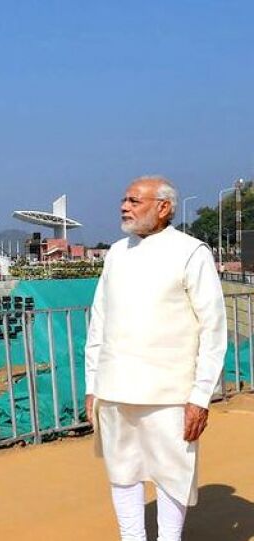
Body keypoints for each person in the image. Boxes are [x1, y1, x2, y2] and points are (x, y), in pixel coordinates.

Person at [85, 176, 227, 541]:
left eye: (134, 200)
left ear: (163, 207)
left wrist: (200, 396)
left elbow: (213, 328)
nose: (124, 206)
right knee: (123, 473)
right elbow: (99, 323)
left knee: (172, 475)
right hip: (115, 389)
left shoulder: (191, 251)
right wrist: (92, 385)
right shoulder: (116, 253)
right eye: (124, 199)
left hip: (171, 393)